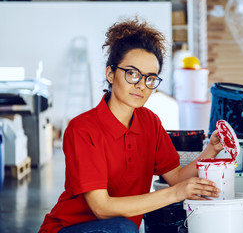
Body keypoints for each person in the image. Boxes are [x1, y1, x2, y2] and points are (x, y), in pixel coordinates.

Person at [39, 17, 223, 233]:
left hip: (119, 229)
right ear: (110, 73)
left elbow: (176, 178)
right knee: (123, 228)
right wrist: (176, 193)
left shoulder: (150, 122)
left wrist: (211, 150)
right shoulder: (83, 129)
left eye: (150, 78)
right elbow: (101, 208)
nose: (141, 86)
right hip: (69, 229)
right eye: (132, 74)